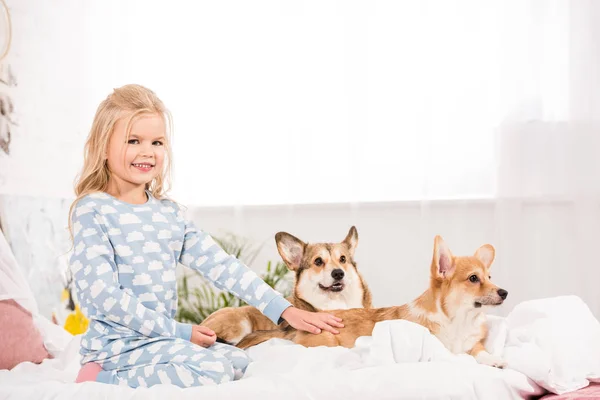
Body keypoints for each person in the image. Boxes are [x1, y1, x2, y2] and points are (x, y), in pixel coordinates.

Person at [68, 84, 343, 388]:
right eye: (134, 140)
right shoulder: (93, 211)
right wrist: (180, 332)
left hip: (158, 340)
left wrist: (284, 310)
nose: (147, 151)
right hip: (117, 347)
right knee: (213, 370)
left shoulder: (167, 214)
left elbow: (222, 266)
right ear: (104, 146)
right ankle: (99, 377)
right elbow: (104, 298)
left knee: (239, 361)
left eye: (157, 142)